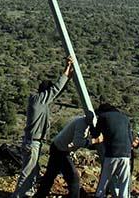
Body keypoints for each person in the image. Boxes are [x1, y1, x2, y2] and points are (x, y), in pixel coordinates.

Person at [11, 57, 74, 198]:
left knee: (32, 171)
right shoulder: (38, 100)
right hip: (32, 143)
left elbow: (56, 92)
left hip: (33, 142)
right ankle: (18, 196)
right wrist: (66, 68)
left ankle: (27, 194)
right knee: (27, 172)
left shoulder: (40, 102)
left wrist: (68, 78)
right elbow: (55, 90)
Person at [33, 115, 90, 198]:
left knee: (50, 174)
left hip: (58, 147)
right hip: (61, 150)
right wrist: (93, 142)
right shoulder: (82, 123)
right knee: (74, 178)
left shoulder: (83, 120)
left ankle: (40, 195)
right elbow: (78, 142)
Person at [91, 103, 132, 198]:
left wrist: (91, 126)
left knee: (104, 180)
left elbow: (95, 134)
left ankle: (99, 196)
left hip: (112, 153)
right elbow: (130, 137)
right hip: (126, 154)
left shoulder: (103, 116)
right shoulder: (125, 118)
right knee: (124, 183)